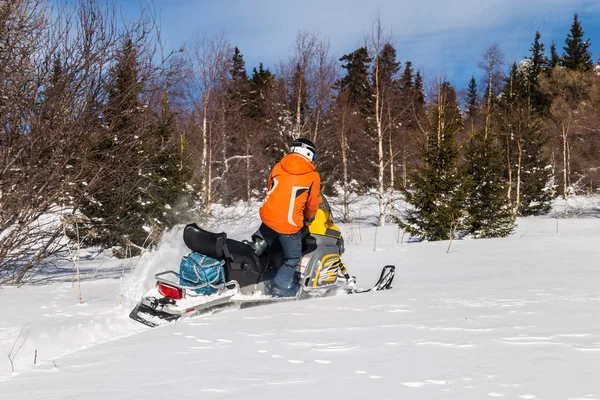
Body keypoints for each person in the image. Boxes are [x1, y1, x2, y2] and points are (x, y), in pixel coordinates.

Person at [251, 138, 321, 297]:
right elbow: (312, 203)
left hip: (267, 217)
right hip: (288, 224)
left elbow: (270, 187)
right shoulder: (312, 176)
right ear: (308, 153)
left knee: (259, 247)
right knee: (292, 257)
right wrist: (309, 218)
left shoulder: (278, 166)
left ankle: (253, 262)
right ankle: (280, 287)